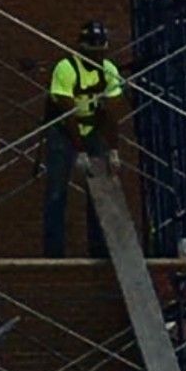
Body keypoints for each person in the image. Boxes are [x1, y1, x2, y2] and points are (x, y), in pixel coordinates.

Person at [42, 21, 123, 257]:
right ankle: (54, 253)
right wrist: (79, 151)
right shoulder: (66, 69)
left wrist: (113, 150)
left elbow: (111, 113)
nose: (97, 57)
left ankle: (100, 250)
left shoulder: (108, 70)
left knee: (99, 191)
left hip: (92, 130)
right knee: (57, 191)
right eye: (93, 52)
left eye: (101, 52)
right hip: (64, 133)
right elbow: (68, 116)